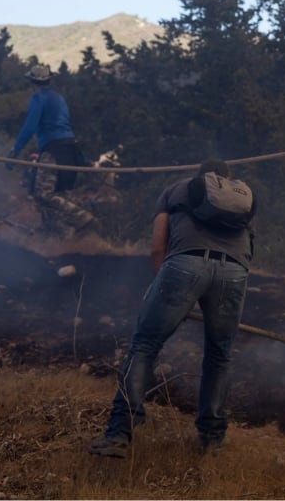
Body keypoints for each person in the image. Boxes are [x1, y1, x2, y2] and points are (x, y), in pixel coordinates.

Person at [88, 160, 255, 458]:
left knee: (144, 345)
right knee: (220, 356)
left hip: (185, 265)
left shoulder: (176, 189)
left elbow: (157, 247)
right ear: (227, 180)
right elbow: (247, 248)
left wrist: (163, 289)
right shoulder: (241, 199)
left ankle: (118, 434)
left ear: (199, 176)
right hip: (235, 271)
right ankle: (212, 441)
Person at [7, 63, 95, 236]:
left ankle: (84, 218)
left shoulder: (37, 98)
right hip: (70, 149)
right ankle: (59, 234)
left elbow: (29, 127)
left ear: (32, 82)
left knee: (43, 194)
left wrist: (15, 150)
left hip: (53, 151)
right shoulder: (59, 98)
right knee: (59, 193)